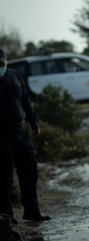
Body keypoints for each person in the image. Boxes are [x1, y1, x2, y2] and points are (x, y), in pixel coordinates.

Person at [0, 48, 51, 223]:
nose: (0, 67)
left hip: (21, 132)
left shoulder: (14, 75)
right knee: (4, 176)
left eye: (2, 63)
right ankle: (6, 216)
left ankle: (32, 211)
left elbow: (26, 100)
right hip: (2, 135)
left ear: (6, 61)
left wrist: (34, 121)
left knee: (29, 171)